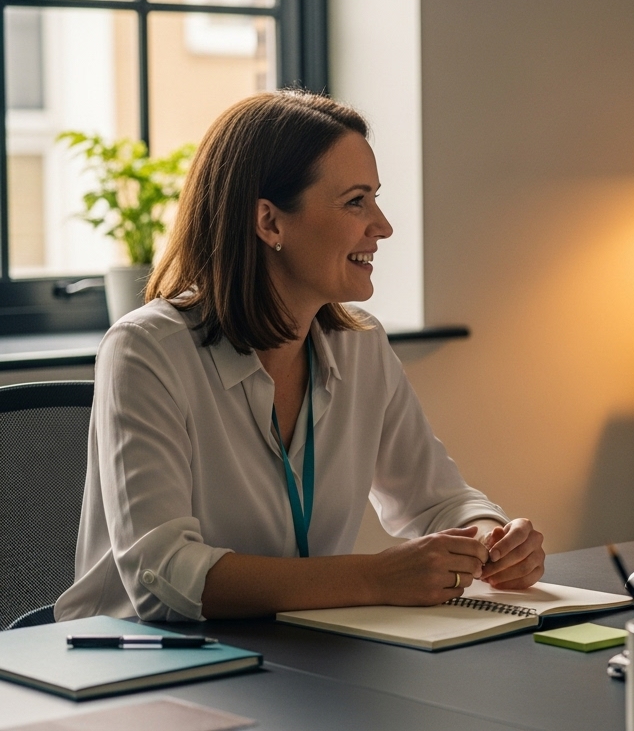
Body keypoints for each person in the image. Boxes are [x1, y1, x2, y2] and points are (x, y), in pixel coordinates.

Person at [56, 90, 545, 622]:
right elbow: (166, 578)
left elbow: (436, 502)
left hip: (296, 657)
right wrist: (376, 577)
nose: (382, 226)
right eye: (356, 201)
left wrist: (489, 537)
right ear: (269, 223)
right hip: (136, 671)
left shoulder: (360, 346)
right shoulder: (146, 352)